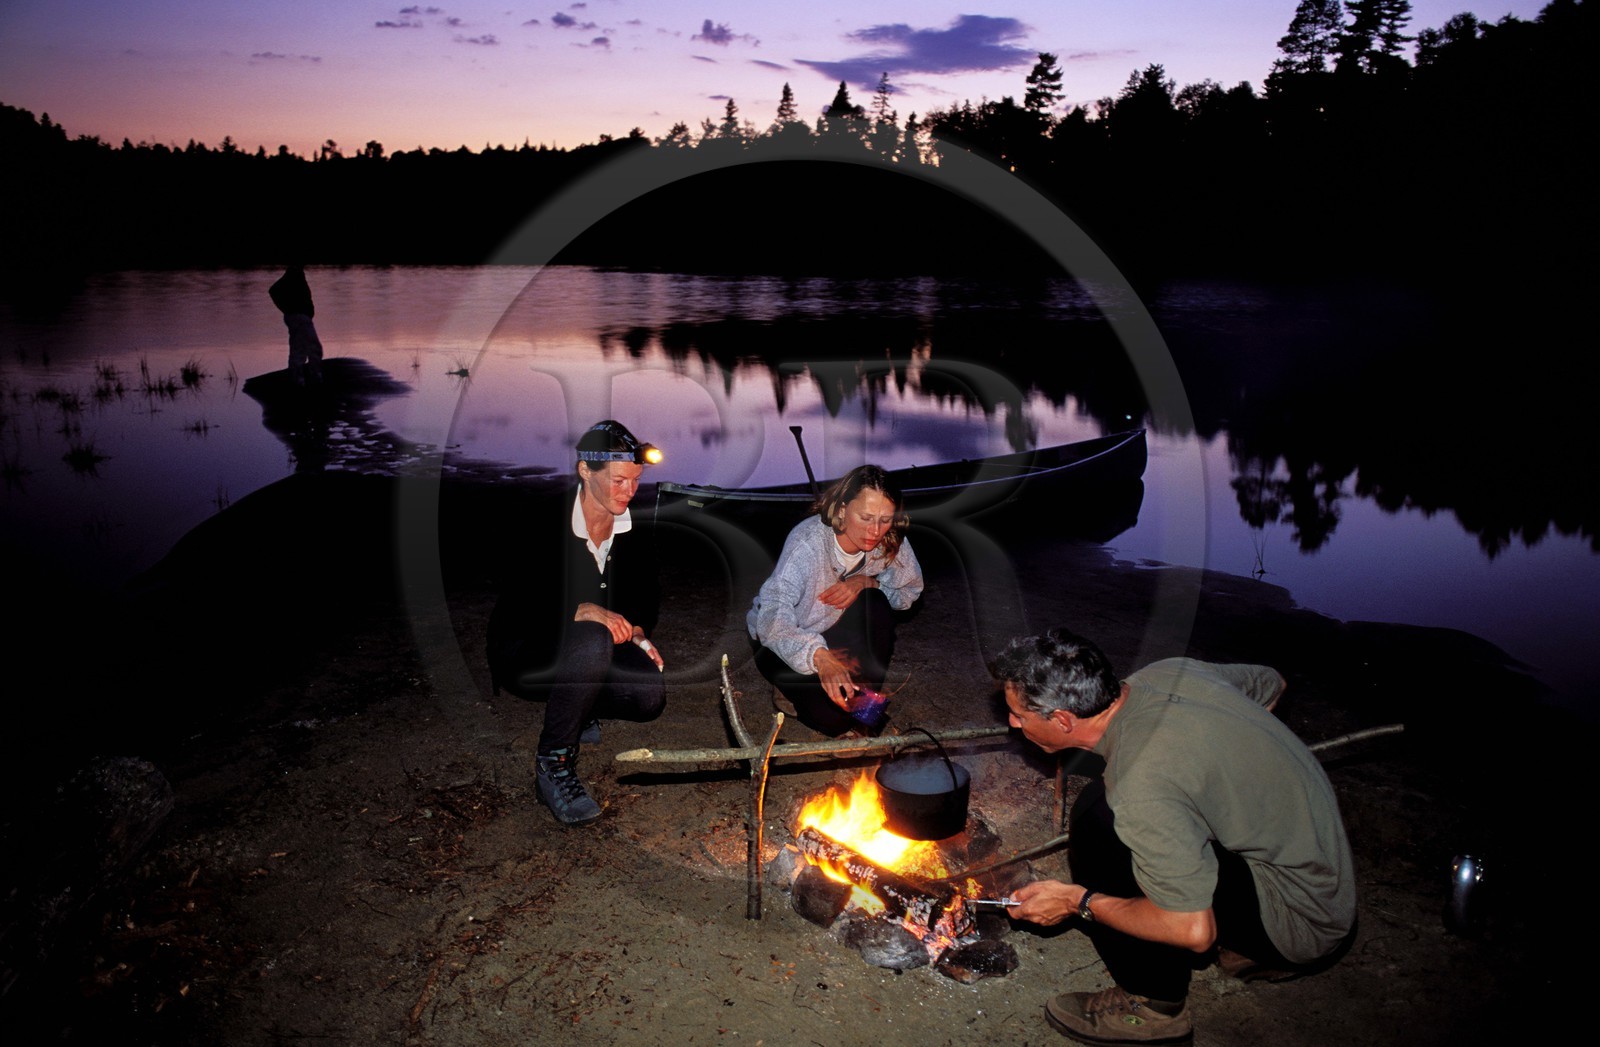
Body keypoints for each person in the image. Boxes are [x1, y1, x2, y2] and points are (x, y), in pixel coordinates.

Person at [993, 629, 1356, 1045]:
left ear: (1062, 720)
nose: (1012, 722)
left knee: (1101, 823)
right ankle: (1242, 940)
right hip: (1322, 877)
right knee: (1112, 803)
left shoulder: (1142, 785)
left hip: (1302, 917)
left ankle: (1154, 1006)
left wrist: (1078, 901)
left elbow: (1192, 931)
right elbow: (1272, 683)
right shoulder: (1171, 673)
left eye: (1019, 715)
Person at [486, 420, 667, 826]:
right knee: (591, 636)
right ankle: (554, 763)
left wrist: (638, 632)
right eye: (620, 480)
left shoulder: (630, 529)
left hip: (590, 652)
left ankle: (579, 705)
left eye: (636, 481)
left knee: (648, 697)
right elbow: (518, 601)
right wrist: (577, 609)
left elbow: (644, 594)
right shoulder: (540, 521)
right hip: (527, 652)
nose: (630, 492)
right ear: (586, 471)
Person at [747, 464, 924, 736]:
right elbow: (771, 618)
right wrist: (819, 657)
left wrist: (868, 581)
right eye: (866, 517)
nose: (876, 530)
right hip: (783, 640)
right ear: (842, 509)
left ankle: (864, 695)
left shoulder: (889, 538)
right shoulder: (808, 542)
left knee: (874, 601)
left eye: (885, 518)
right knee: (835, 720)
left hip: (836, 630)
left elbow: (909, 593)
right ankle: (787, 689)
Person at [268, 264, 324, 388]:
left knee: (299, 350)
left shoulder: (297, 273)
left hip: (299, 317)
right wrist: (287, 309)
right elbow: (273, 290)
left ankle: (298, 381)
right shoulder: (293, 273)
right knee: (314, 349)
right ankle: (314, 380)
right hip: (299, 318)